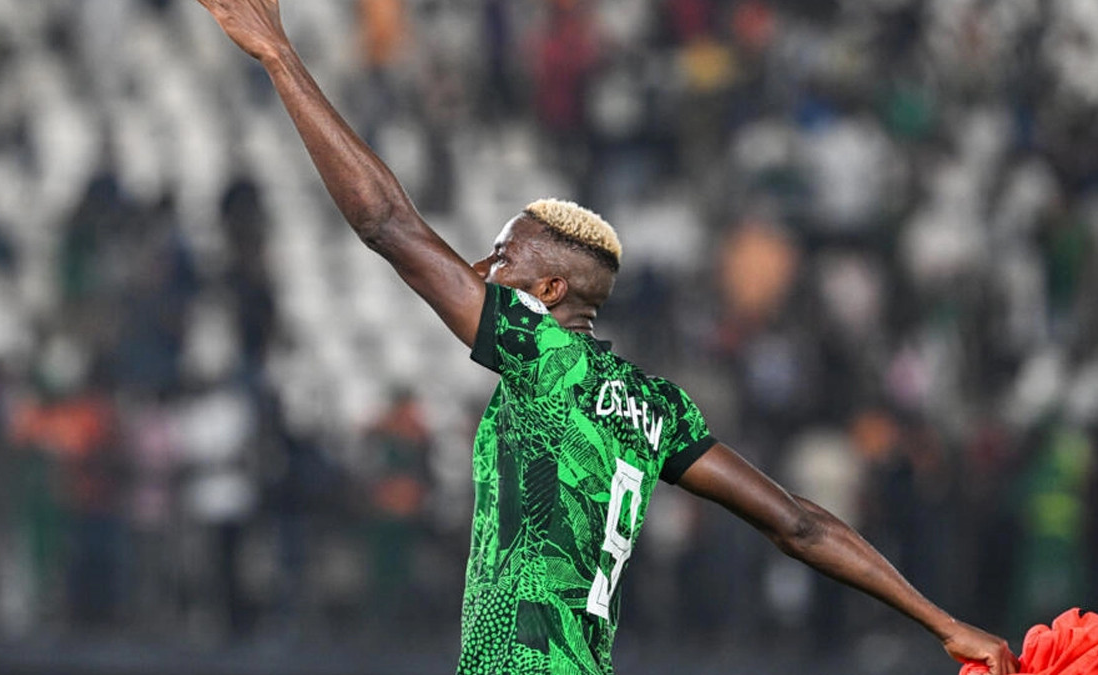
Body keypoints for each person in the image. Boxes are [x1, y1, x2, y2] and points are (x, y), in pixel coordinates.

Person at [193, 1, 1020, 673]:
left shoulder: (539, 355)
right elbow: (798, 524)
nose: (483, 264)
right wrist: (944, 622)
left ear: (550, 290)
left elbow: (387, 225)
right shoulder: (655, 410)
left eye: (504, 254)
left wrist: (278, 56)